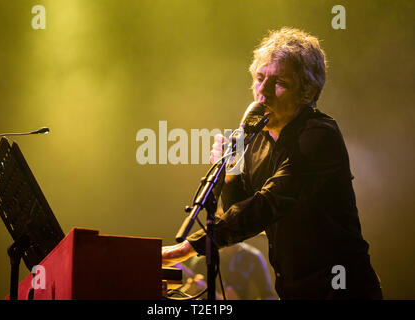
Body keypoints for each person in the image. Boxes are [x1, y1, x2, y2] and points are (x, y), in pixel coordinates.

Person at [162, 27, 383, 299]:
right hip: (293, 291)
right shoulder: (255, 142)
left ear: (308, 91)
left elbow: (269, 203)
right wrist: (231, 169)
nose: (262, 91)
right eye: (259, 78)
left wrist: (188, 248)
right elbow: (239, 213)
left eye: (280, 82)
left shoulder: (319, 135)